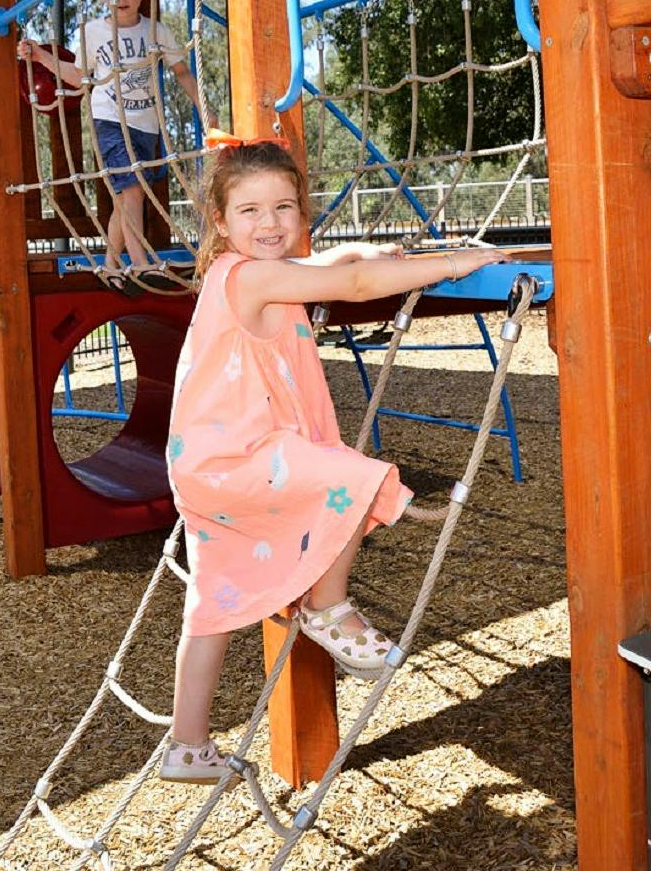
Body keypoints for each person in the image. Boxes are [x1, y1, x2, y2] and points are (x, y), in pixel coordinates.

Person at [157, 136, 508, 782]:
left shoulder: (236, 271)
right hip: (245, 457)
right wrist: (451, 261)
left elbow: (333, 264)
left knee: (212, 603)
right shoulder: (254, 274)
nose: (270, 224)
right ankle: (327, 608)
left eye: (284, 208)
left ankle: (186, 745)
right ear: (221, 222)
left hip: (204, 468)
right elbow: (348, 283)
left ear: (301, 211)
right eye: (251, 212)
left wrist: (363, 250)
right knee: (352, 476)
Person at [18, 0, 209, 274]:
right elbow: (79, 77)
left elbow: (182, 73)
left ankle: (109, 261)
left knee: (127, 197)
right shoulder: (92, 32)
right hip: (110, 121)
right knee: (133, 190)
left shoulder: (156, 32)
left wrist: (206, 110)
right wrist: (40, 55)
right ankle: (139, 262)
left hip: (147, 125)